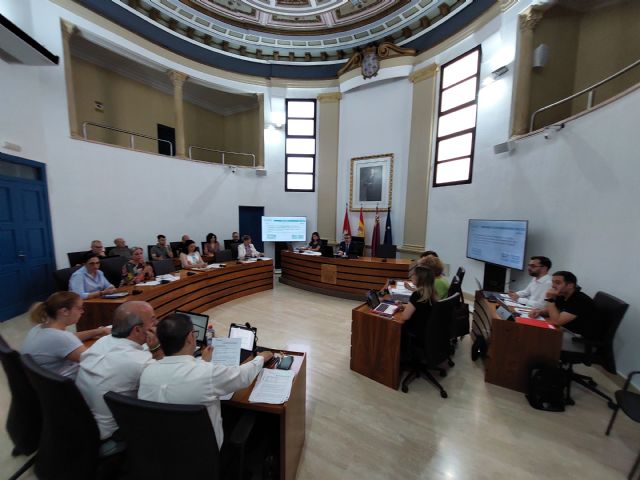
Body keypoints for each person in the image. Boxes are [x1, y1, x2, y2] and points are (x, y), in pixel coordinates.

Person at [138, 313, 273, 450]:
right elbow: (243, 376)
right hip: (202, 455)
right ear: (190, 338)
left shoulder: (147, 373)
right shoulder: (207, 373)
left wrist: (203, 362)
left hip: (158, 452)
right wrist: (261, 357)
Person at [76, 301, 163, 441]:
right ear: (137, 330)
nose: (156, 323)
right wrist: (157, 351)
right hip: (112, 433)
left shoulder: (102, 342)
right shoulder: (140, 362)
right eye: (153, 320)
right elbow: (165, 380)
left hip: (82, 423)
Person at [21, 292, 109, 378]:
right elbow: (93, 361)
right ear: (65, 311)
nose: (82, 311)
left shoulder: (39, 328)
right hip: (64, 386)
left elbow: (71, 337)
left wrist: (99, 331)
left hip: (42, 383)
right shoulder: (61, 338)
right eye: (79, 308)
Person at [530, 271, 597, 339]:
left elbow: (556, 321)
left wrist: (550, 299)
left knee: (535, 336)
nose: (553, 286)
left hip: (578, 338)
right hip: (564, 330)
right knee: (532, 329)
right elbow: (553, 311)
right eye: (553, 282)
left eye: (558, 283)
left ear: (570, 285)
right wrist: (539, 312)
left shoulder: (580, 300)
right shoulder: (562, 295)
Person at [396, 266, 437, 356]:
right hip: (427, 330)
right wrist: (404, 306)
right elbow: (419, 307)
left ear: (420, 279)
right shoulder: (430, 292)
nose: (411, 276)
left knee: (394, 323)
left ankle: (400, 355)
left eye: (414, 275)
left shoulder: (417, 294)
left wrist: (402, 309)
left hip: (417, 331)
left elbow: (405, 316)